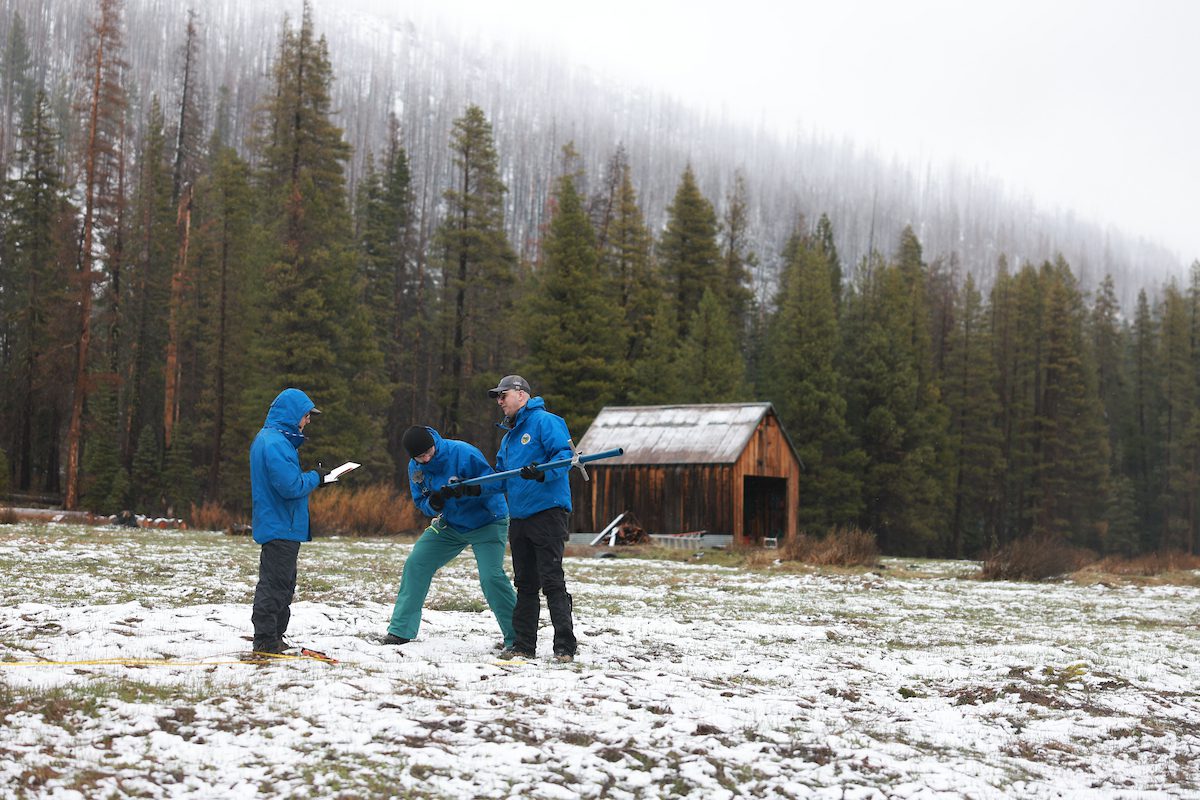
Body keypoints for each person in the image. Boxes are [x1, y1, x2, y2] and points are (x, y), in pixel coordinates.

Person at [380, 425, 516, 651]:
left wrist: (471, 489)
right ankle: (400, 630)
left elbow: (497, 482)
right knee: (417, 563)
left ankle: (517, 636)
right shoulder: (415, 468)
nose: (426, 458)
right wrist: (433, 504)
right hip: (451, 524)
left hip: (488, 521)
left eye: (428, 452)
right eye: (420, 456)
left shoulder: (462, 452)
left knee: (491, 578)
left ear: (434, 443)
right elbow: (420, 501)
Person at [485, 375, 577, 663]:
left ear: (521, 395)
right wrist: (471, 488)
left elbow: (565, 456)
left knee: (551, 580)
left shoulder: (545, 422)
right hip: (521, 517)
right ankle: (524, 645)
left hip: (547, 512)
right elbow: (500, 477)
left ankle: (565, 645)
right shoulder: (509, 437)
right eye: (497, 397)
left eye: (503, 395)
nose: (499, 402)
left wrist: (542, 471)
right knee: (525, 584)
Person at [248, 388, 328, 655]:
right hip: (280, 526)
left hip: (283, 525)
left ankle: (274, 638)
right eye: (306, 415)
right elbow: (291, 486)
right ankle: (266, 641)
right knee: (275, 585)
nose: (308, 421)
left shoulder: (274, 440)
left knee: (283, 585)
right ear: (294, 415)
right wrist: (317, 477)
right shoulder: (275, 443)